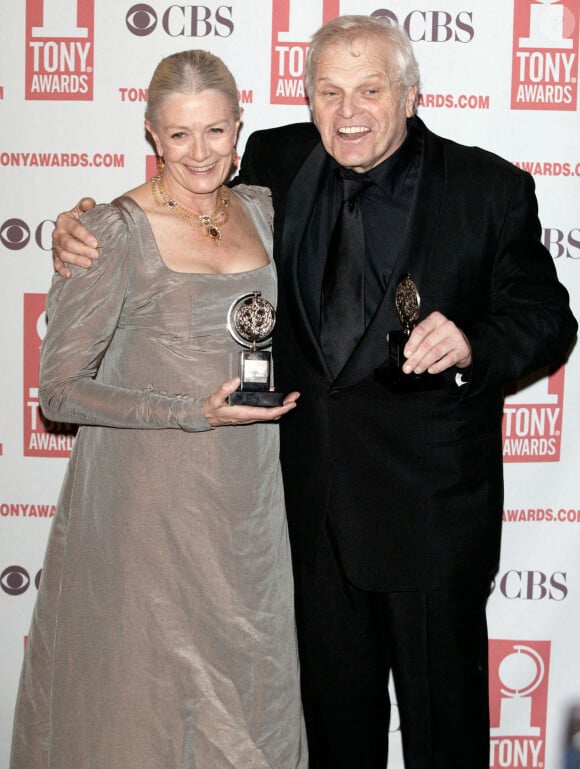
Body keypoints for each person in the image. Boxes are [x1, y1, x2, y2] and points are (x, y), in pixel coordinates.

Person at [51, 16, 577, 769]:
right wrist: (82, 226)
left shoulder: (486, 187)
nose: (348, 112)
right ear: (306, 99)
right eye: (328, 91)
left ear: (410, 94)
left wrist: (473, 342)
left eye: (370, 89)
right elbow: (184, 202)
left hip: (430, 522)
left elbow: (547, 318)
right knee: (332, 737)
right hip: (306, 517)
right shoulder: (274, 159)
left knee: (445, 734)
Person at [10, 50, 308, 769]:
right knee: (141, 702)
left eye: (214, 131)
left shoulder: (267, 210)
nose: (200, 153)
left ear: (240, 127)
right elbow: (59, 390)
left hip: (247, 507)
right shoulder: (112, 231)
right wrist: (188, 410)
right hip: (148, 507)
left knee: (249, 694)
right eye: (179, 135)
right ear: (150, 134)